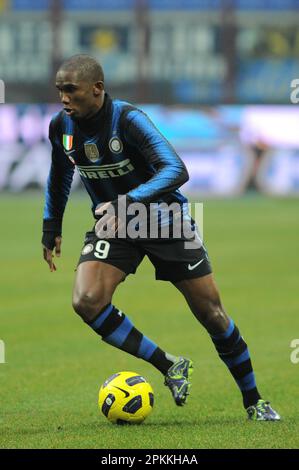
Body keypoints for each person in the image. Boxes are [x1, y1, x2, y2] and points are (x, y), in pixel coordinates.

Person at [42, 54, 280, 421]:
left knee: (211, 314)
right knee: (87, 300)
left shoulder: (128, 119)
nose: (63, 98)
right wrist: (51, 226)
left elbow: (176, 169)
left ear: (97, 89)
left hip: (164, 219)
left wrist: (128, 202)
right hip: (116, 223)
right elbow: (59, 176)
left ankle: (255, 402)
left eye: (70, 90)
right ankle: (169, 364)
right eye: (60, 90)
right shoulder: (61, 126)